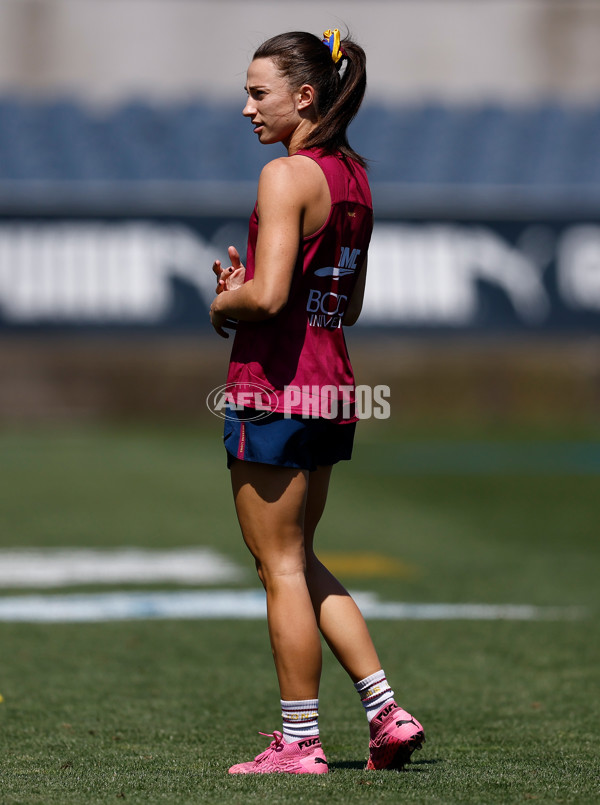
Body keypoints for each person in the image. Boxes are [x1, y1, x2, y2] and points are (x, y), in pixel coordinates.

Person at [209, 28, 424, 775]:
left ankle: (299, 742)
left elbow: (267, 297)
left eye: (258, 92)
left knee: (280, 567)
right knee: (298, 557)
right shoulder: (355, 178)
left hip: (274, 388)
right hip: (332, 385)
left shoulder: (288, 175)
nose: (246, 108)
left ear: (305, 96)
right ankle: (385, 709)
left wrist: (224, 303)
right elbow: (349, 304)